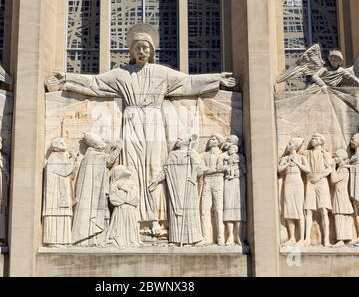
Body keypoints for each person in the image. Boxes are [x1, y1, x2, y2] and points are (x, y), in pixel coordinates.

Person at [47, 23, 236, 236]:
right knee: (133, 169)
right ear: (131, 51)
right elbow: (95, 84)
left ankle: (157, 220)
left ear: (152, 51)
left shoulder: (161, 73)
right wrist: (67, 79)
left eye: (146, 47)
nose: (142, 51)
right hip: (132, 123)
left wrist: (217, 79)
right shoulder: (122, 74)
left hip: (154, 124)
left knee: (155, 169)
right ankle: (134, 220)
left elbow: (188, 83)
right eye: (137, 47)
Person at [149, 135, 204, 246]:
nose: (178, 140)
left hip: (188, 187)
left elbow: (199, 169)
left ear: (187, 142)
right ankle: (175, 239)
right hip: (174, 187)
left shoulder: (192, 154)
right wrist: (156, 181)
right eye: (178, 138)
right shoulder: (172, 155)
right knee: (175, 212)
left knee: (189, 212)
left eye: (180, 139)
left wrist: (192, 175)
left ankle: (191, 240)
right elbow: (165, 170)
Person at [72, 133, 122, 246]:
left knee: (102, 210)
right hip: (95, 192)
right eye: (101, 141)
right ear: (96, 144)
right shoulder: (95, 155)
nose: (103, 142)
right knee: (98, 211)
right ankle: (95, 239)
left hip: (98, 189)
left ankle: (99, 238)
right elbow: (109, 161)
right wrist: (118, 148)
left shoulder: (92, 154)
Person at [42, 138, 76, 248]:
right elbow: (65, 171)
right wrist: (73, 159)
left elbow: (71, 174)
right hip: (55, 194)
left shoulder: (63, 156)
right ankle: (53, 241)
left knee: (63, 215)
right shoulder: (54, 157)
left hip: (63, 190)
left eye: (64, 142)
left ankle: (64, 241)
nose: (64, 143)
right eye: (60, 143)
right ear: (55, 147)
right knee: (56, 215)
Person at [278, 138, 310, 246]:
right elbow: (279, 169)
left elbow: (307, 170)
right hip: (288, 181)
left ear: (295, 146)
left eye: (290, 143)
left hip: (297, 181)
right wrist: (287, 163)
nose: (288, 145)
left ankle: (301, 238)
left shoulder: (301, 158)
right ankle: (292, 237)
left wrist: (296, 162)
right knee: (289, 210)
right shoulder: (285, 158)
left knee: (299, 209)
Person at [304, 133, 333, 246]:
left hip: (322, 182)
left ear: (321, 141)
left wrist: (319, 176)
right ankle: (307, 238)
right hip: (310, 182)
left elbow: (329, 168)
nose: (313, 140)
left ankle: (326, 239)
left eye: (315, 138)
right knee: (308, 211)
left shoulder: (325, 154)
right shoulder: (307, 153)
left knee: (324, 210)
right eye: (312, 138)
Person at [200, 135, 227, 245]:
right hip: (207, 180)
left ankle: (221, 238)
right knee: (204, 210)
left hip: (218, 180)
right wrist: (214, 169)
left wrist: (211, 170)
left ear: (219, 142)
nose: (211, 141)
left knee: (219, 209)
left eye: (214, 139)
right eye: (210, 139)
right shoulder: (203, 155)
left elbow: (224, 168)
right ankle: (206, 237)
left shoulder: (222, 155)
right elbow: (202, 169)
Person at [105, 165, 141, 248]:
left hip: (130, 210)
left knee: (131, 227)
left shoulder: (131, 183)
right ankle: (119, 241)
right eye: (124, 169)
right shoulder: (115, 184)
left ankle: (131, 241)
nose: (127, 169)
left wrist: (126, 191)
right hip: (120, 210)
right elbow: (113, 199)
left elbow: (135, 199)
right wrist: (126, 198)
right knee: (119, 227)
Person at [223, 138, 247, 246]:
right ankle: (229, 236)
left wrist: (236, 172)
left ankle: (238, 236)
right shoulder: (224, 157)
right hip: (228, 182)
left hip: (238, 182)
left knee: (238, 209)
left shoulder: (240, 157)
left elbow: (244, 169)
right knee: (228, 207)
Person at [331, 149, 354, 247]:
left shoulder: (343, 169)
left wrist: (332, 168)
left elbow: (334, 180)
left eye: (336, 157)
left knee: (340, 215)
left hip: (342, 194)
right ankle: (343, 238)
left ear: (341, 158)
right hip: (339, 193)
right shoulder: (340, 168)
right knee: (340, 215)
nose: (334, 158)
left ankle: (342, 239)